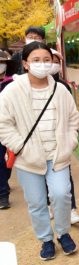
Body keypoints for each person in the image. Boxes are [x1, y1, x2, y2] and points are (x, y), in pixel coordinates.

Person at [0, 42, 79, 260]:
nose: (42, 65)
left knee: (61, 195)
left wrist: (70, 141)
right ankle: (46, 239)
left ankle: (63, 233)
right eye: (36, 60)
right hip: (28, 158)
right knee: (36, 202)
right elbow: (3, 124)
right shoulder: (11, 92)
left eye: (47, 60)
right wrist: (19, 146)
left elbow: (73, 118)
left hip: (57, 155)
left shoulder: (60, 89)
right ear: (25, 64)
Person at [42, 50, 79, 224]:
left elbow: (72, 114)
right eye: (48, 61)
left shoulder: (63, 87)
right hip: (40, 142)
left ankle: (71, 210)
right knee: (42, 175)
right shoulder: (28, 87)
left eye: (56, 61)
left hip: (61, 142)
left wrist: (72, 137)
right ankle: (49, 205)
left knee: (66, 177)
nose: (53, 64)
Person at [0, 51, 17, 209]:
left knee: (12, 158)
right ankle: (3, 193)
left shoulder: (12, 84)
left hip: (12, 128)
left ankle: (4, 179)